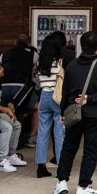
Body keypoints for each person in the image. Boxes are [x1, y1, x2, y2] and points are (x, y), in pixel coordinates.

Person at [54, 31, 97, 194]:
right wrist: (92, 98)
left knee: (69, 147)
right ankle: (84, 186)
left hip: (74, 113)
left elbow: (64, 91)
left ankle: (61, 182)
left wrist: (62, 112)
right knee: (91, 150)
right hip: (96, 114)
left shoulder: (72, 65)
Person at [34, 31, 70, 178]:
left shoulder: (40, 62)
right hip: (57, 96)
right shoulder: (60, 61)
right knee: (59, 132)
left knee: (42, 132)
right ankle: (61, 165)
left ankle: (40, 166)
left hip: (44, 96)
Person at [0, 33, 39, 148]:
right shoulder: (33, 54)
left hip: (4, 86)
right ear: (29, 43)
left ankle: (3, 135)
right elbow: (35, 70)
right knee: (39, 108)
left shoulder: (4, 54)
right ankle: (32, 137)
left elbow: (0, 67)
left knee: (4, 108)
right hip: (22, 87)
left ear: (15, 42)